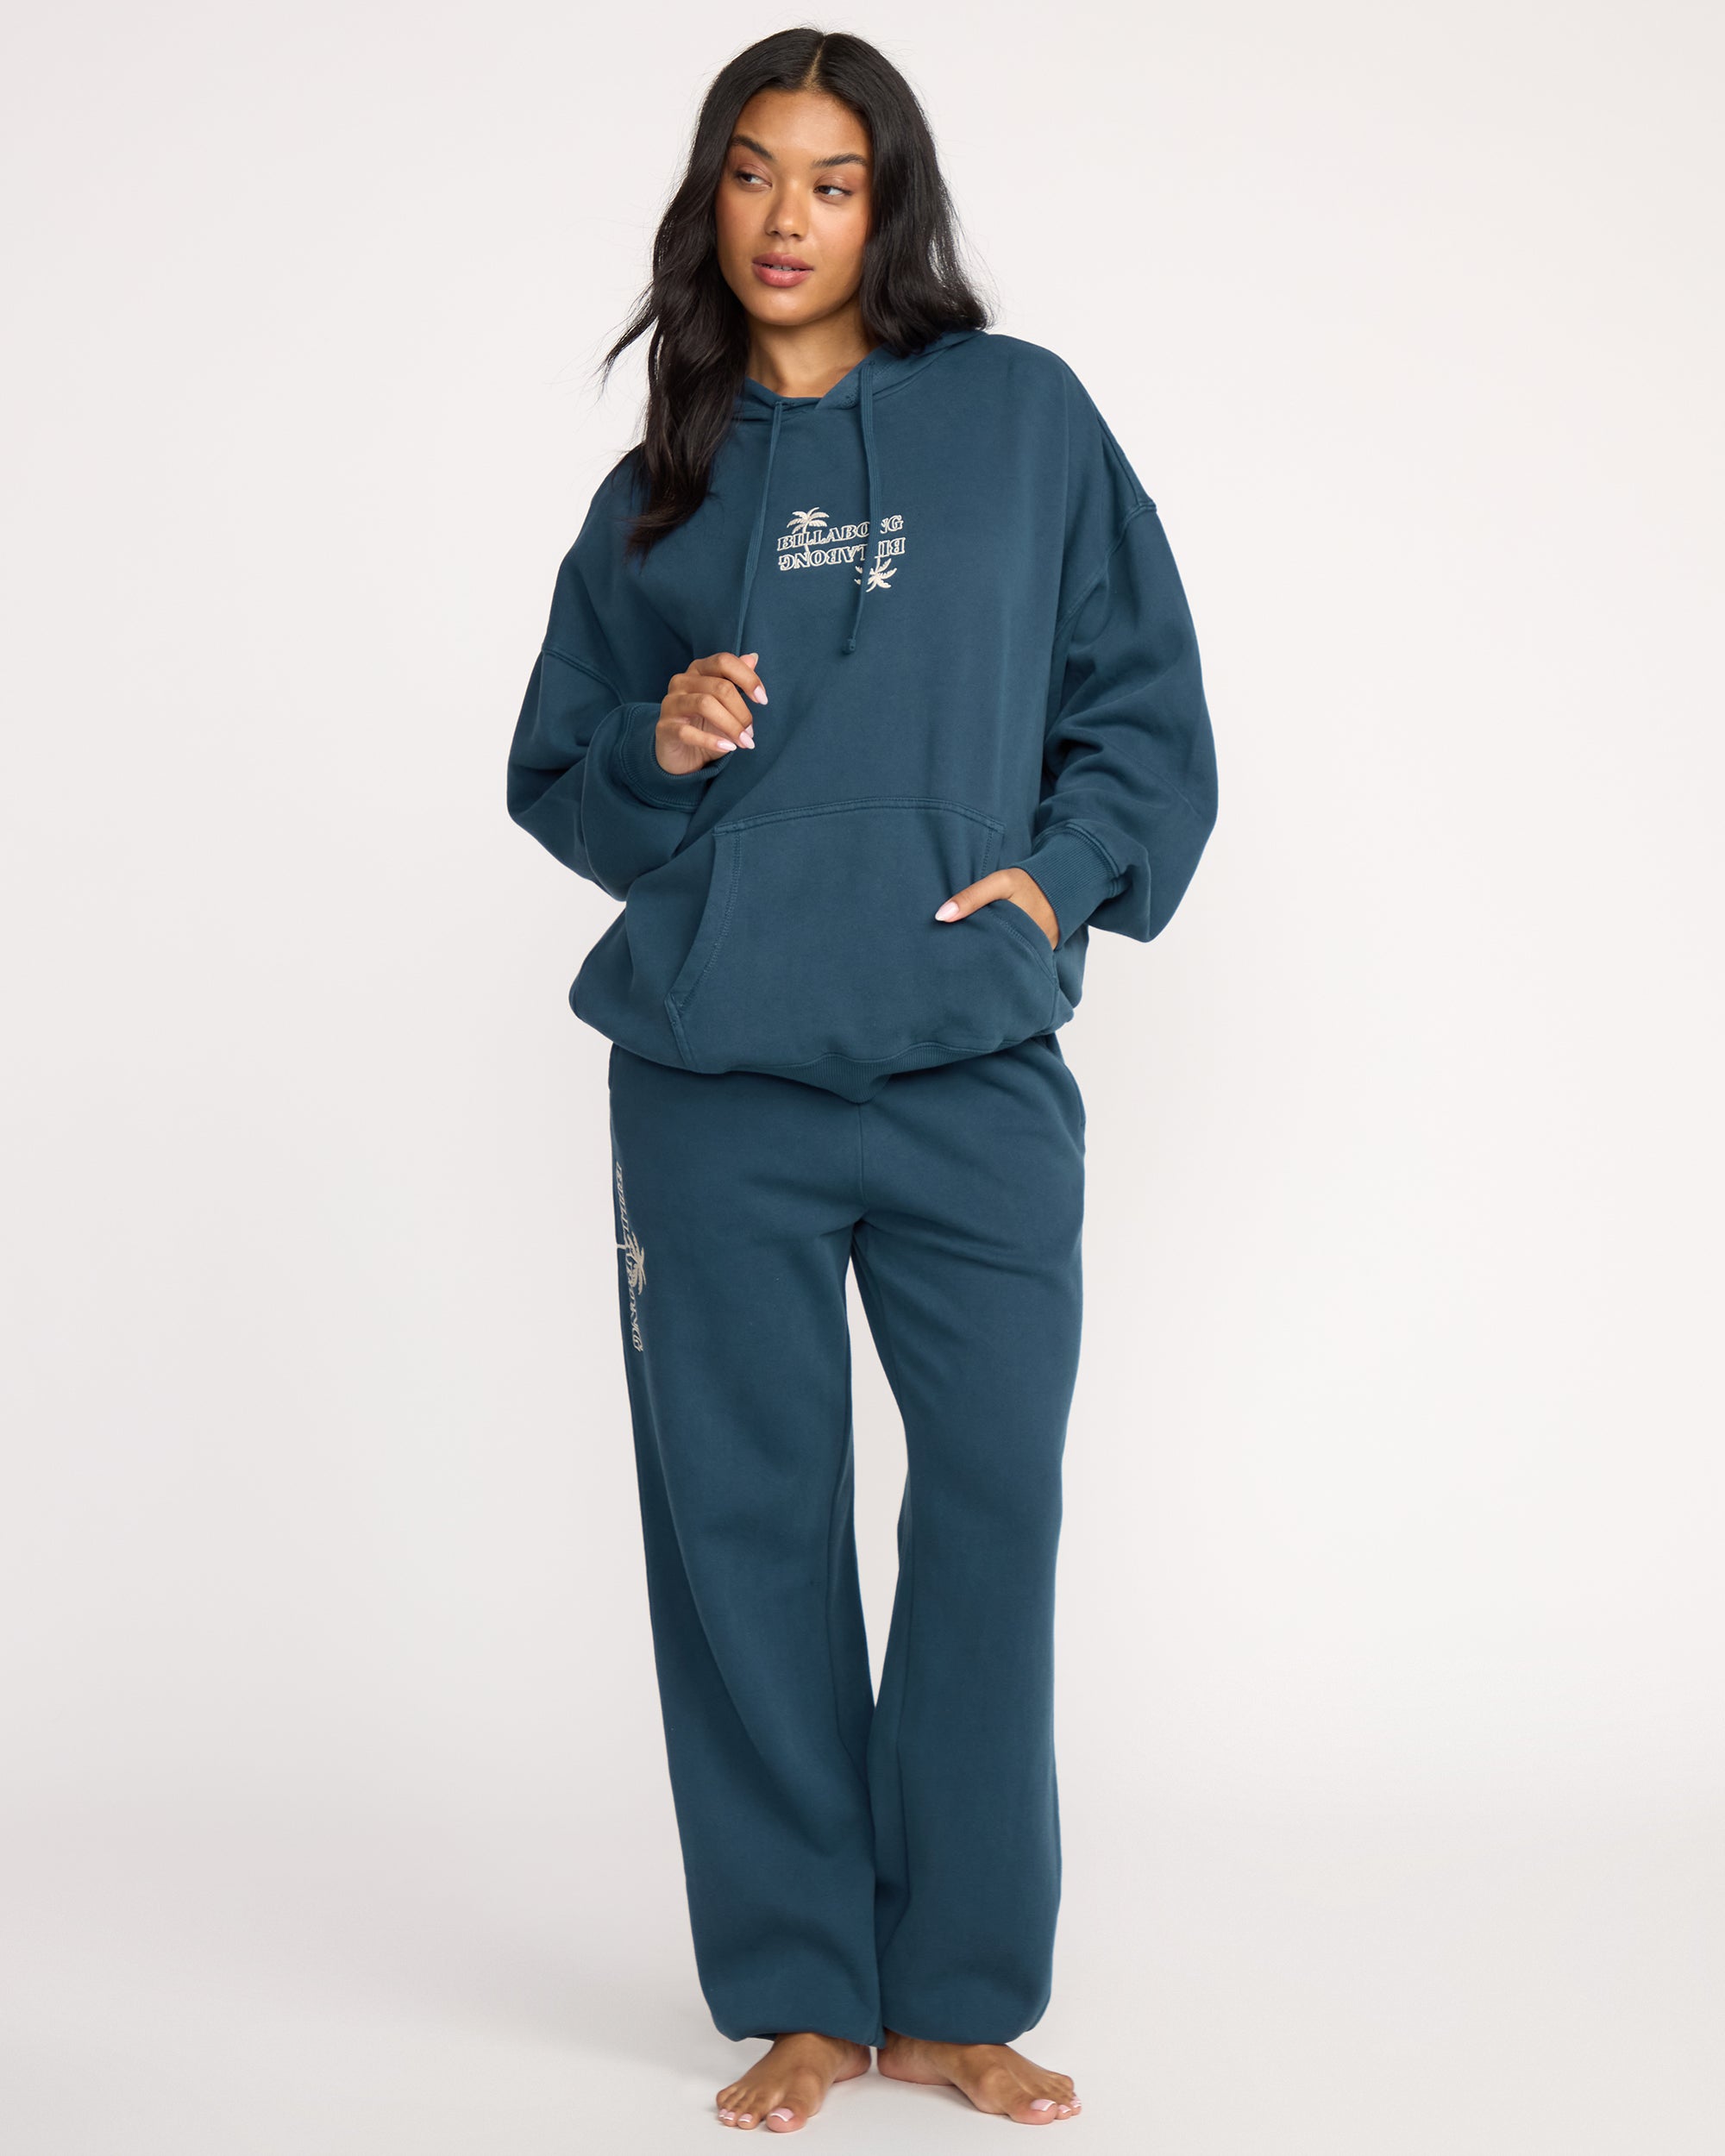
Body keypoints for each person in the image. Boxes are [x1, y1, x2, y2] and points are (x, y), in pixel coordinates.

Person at [505, 25, 1217, 2134]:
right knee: (745, 1530)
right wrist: (660, 746)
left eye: (831, 179)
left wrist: (1059, 880)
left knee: (991, 1505)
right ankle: (804, 1989)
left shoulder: (1018, 419)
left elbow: (1141, 701)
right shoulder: (661, 485)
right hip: (712, 1078)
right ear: (708, 199)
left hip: (970, 1067)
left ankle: (961, 1991)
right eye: (752, 172)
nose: (788, 216)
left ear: (886, 202)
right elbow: (556, 770)